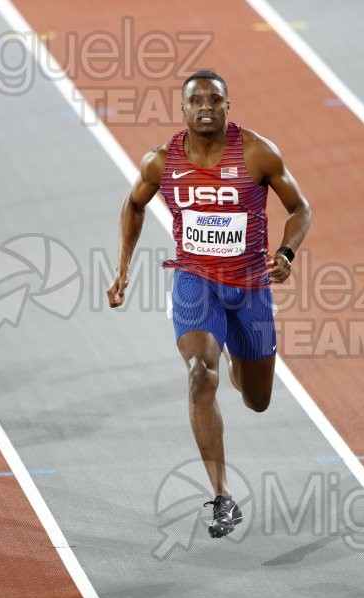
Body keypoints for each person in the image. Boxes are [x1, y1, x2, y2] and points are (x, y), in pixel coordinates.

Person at [107, 70, 311, 537]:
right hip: (196, 282)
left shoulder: (258, 153)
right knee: (201, 374)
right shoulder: (162, 161)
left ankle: (240, 362)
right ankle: (222, 496)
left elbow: (300, 208)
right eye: (195, 99)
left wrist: (285, 253)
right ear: (182, 110)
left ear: (227, 107)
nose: (205, 106)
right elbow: (133, 205)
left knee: (257, 399)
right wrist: (123, 270)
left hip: (251, 288)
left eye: (214, 99)